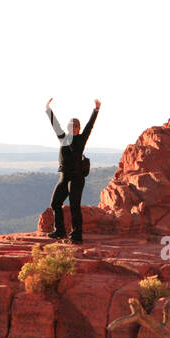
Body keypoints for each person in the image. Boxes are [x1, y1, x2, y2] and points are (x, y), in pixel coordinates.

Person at [44, 97, 100, 243]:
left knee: (75, 206)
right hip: (64, 177)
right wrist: (48, 109)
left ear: (78, 128)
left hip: (76, 178)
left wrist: (96, 110)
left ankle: (76, 237)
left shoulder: (81, 139)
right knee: (55, 203)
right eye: (71, 126)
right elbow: (54, 124)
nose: (73, 128)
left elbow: (90, 126)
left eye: (75, 127)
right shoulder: (63, 138)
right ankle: (60, 231)